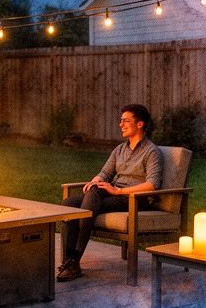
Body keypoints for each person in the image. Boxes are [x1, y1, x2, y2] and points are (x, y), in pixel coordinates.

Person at [58, 104, 163, 281]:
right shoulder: (120, 149)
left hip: (134, 198)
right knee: (70, 204)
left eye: (126, 121)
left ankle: (74, 261)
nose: (121, 124)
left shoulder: (152, 151)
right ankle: (71, 261)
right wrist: (96, 179)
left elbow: (153, 184)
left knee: (91, 197)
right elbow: (105, 173)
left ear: (140, 124)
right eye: (121, 120)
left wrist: (118, 190)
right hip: (113, 194)